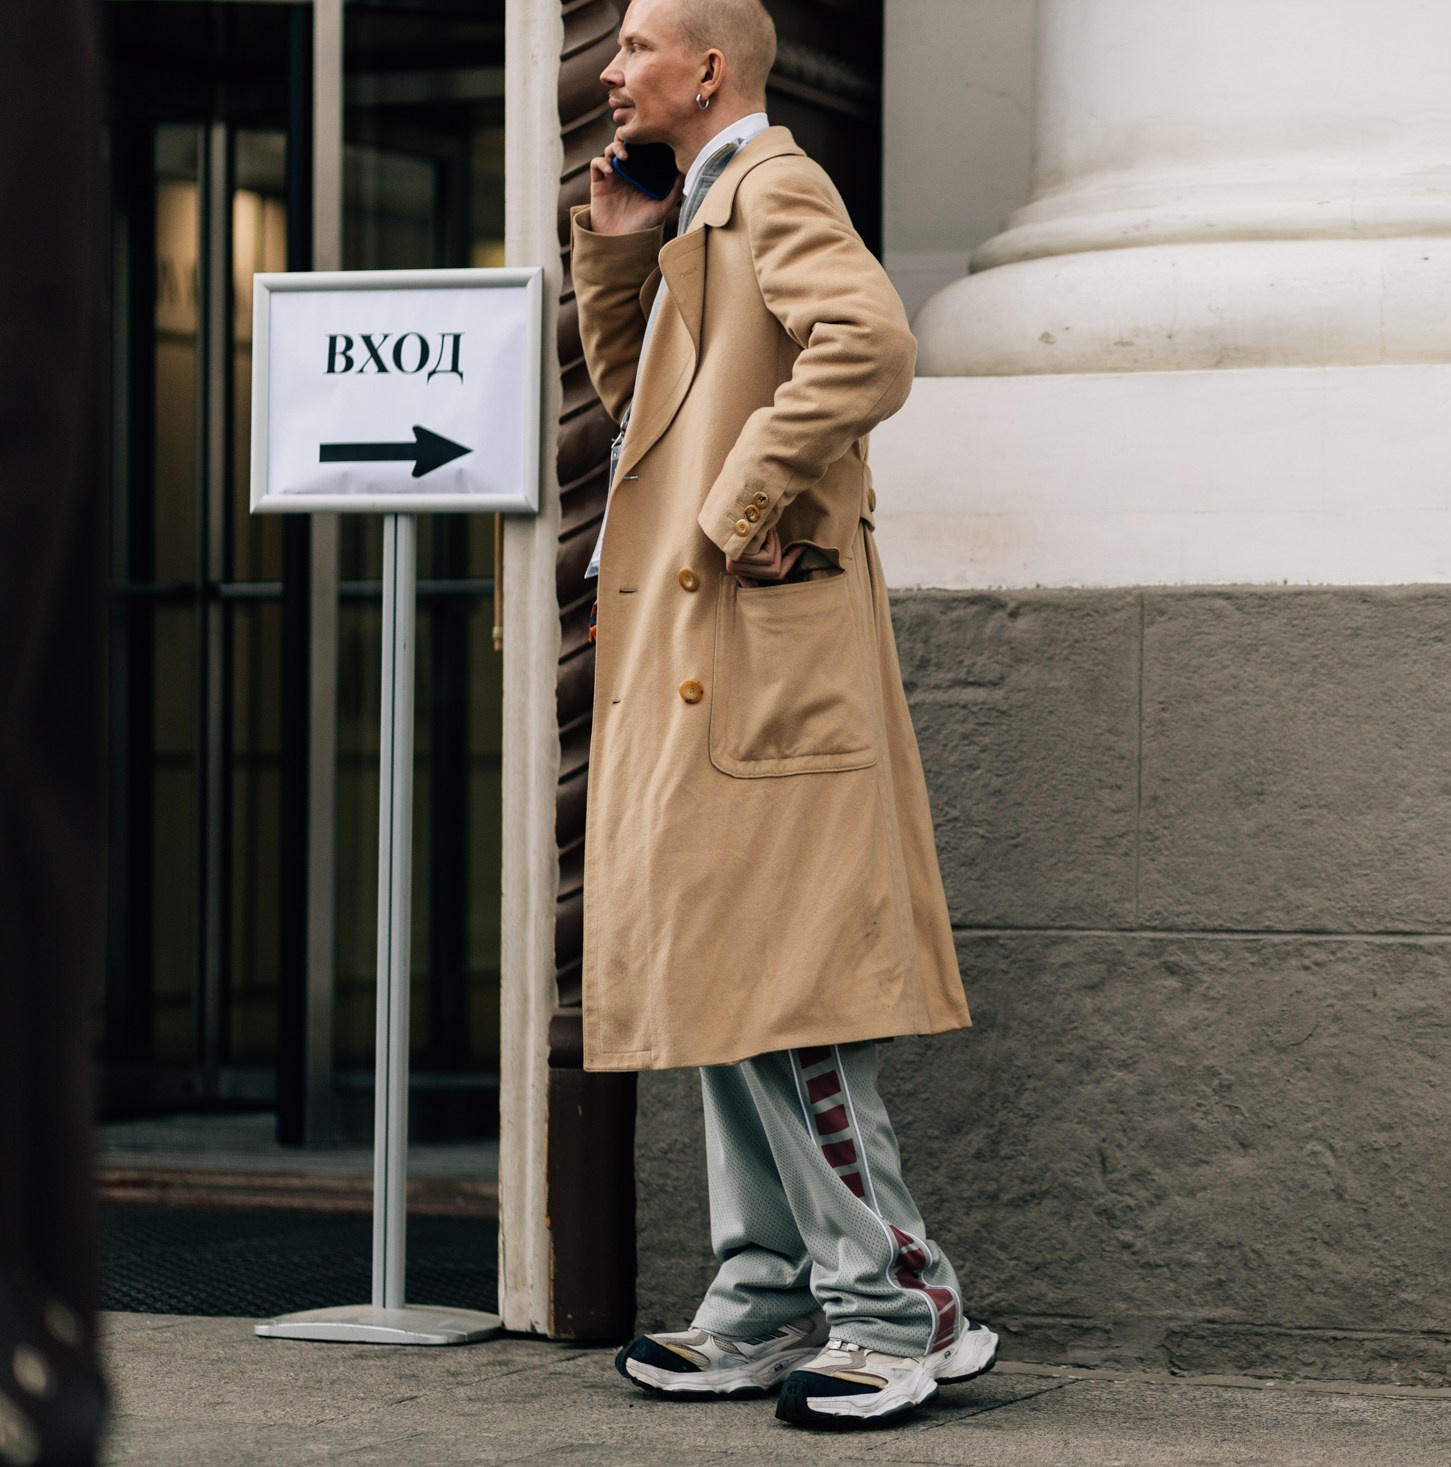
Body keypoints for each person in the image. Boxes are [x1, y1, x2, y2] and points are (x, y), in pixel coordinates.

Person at [569, 0, 990, 1429]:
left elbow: (869, 348)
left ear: (707, 69)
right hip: (701, 665)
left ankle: (898, 1306)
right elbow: (642, 410)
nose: (608, 68)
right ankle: (760, 1295)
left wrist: (745, 505)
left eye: (632, 47)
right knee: (722, 988)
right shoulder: (700, 207)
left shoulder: (774, 183)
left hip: (757, 665)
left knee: (789, 995)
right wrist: (617, 252)